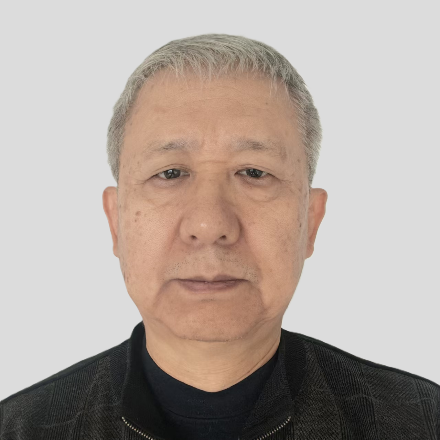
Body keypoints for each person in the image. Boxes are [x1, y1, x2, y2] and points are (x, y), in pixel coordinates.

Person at [1, 33, 438, 440]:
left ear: (311, 219)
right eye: (170, 173)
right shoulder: (20, 429)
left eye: (254, 172)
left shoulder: (421, 422)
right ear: (115, 221)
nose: (210, 225)